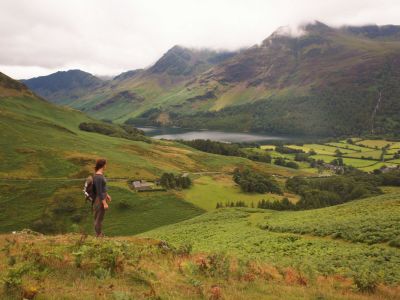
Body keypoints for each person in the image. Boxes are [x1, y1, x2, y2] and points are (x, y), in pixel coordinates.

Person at [93, 158, 111, 237]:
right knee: (98, 219)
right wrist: (104, 203)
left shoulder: (99, 175)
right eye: (105, 164)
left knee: (100, 218)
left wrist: (107, 195)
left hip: (101, 198)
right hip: (99, 200)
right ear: (103, 165)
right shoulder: (98, 177)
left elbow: (102, 188)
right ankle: (99, 235)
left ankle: (99, 234)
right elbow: (99, 191)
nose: (106, 166)